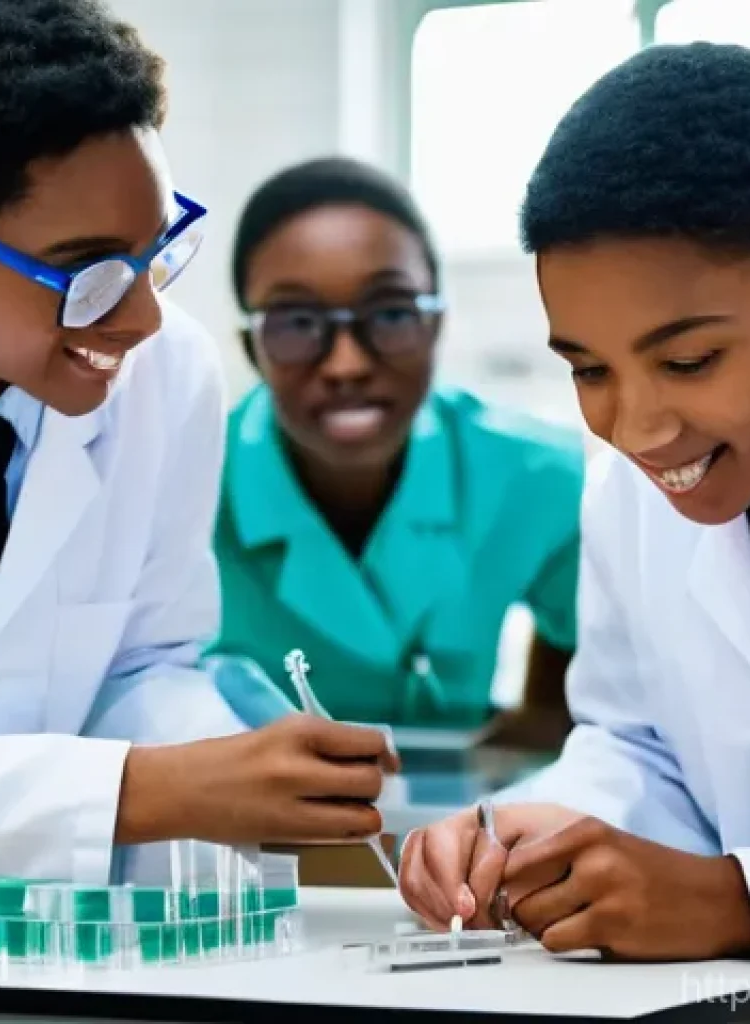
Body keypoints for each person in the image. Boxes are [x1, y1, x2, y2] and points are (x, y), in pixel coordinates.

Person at [0, 0, 397, 929]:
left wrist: (238, 771)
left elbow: (144, 664)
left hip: (62, 944)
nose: (138, 317)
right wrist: (154, 790)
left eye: (152, 252)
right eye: (88, 270)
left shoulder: (164, 372)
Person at [399, 42, 750, 965]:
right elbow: (643, 746)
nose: (638, 426)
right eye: (589, 369)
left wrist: (745, 903)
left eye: (689, 361)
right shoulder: (634, 493)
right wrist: (537, 838)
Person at [207, 157, 584, 747]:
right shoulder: (189, 484)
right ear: (252, 347)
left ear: (436, 327)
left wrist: (534, 722)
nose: (347, 364)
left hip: (458, 815)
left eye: (390, 314)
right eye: (297, 322)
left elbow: (589, 645)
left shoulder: (537, 475)